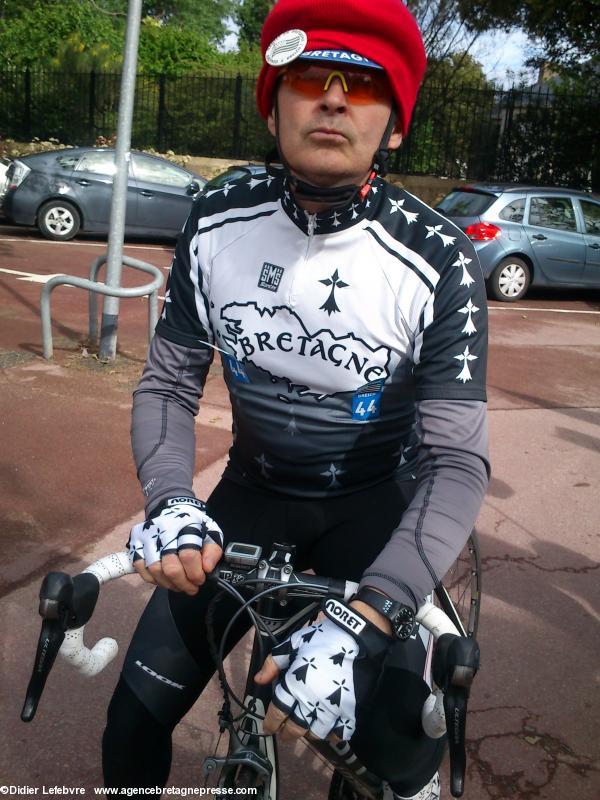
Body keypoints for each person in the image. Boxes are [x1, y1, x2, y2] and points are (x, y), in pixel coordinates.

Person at [102, 1, 490, 798]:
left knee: (383, 757)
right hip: (251, 497)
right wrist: (171, 501)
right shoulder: (215, 216)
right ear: (273, 103)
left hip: (377, 509)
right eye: (312, 76)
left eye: (365, 83)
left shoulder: (439, 258)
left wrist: (375, 612)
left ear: (396, 125)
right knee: (131, 722)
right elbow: (171, 383)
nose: (336, 98)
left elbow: (456, 460)